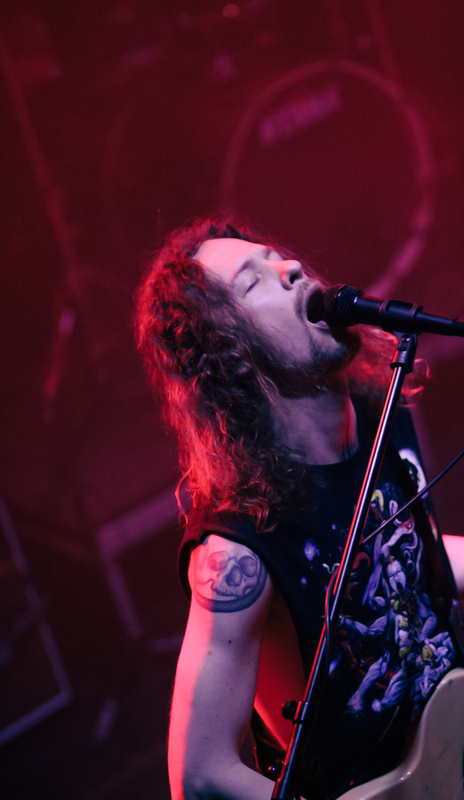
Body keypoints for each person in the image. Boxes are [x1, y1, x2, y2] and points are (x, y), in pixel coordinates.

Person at [134, 218, 464, 800]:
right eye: (253, 281)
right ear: (228, 355)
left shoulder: (379, 413)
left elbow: (414, 562)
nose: (289, 268)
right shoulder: (240, 547)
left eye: (277, 258)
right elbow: (199, 774)